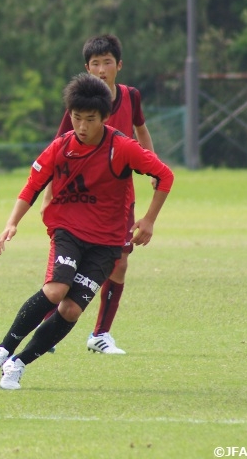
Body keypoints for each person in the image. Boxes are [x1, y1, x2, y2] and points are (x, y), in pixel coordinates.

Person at [0, 73, 173, 390]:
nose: (82, 126)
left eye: (90, 119)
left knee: (70, 309)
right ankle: (1, 351)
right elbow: (31, 186)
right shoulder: (60, 147)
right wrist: (11, 223)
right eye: (76, 118)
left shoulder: (122, 147)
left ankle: (18, 364)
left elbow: (165, 176)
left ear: (104, 117)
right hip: (68, 230)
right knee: (56, 290)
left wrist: (149, 220)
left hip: (107, 244)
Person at [41, 34, 155, 354]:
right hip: (79, 197)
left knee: (119, 263)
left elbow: (140, 128)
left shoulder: (131, 96)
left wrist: (152, 164)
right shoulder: (79, 103)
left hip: (118, 198)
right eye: (95, 64)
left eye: (107, 62)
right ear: (86, 68)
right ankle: (49, 325)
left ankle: (100, 334)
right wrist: (50, 195)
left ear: (119, 65)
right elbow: (57, 151)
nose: (101, 70)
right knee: (70, 262)